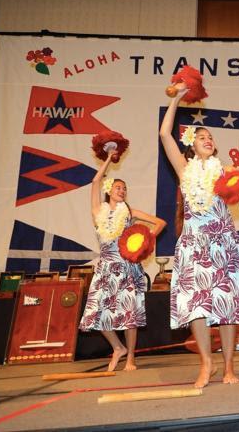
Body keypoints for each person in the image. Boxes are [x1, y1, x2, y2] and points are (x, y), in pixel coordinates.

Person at [159, 88, 239, 387]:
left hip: (222, 242)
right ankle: (206, 363)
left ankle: (229, 365)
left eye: (211, 137)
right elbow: (165, 134)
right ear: (192, 145)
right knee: (196, 305)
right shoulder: (184, 169)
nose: (208, 139)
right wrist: (177, 98)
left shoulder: (225, 171)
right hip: (194, 242)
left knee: (227, 305)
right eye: (202, 136)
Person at [79, 149, 166, 372]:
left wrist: (145, 241)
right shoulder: (98, 211)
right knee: (96, 312)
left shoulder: (129, 211)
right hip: (106, 268)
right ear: (109, 190)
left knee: (129, 314)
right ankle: (118, 348)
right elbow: (95, 180)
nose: (122, 190)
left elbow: (160, 223)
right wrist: (109, 158)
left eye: (125, 188)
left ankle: (131, 359)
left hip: (127, 266)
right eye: (118, 187)